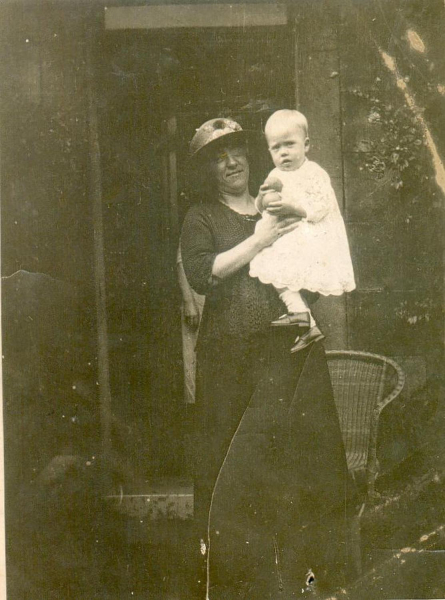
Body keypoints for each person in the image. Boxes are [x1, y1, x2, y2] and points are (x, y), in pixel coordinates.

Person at [180, 117, 356, 599]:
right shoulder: (202, 216)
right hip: (230, 360)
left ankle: (304, 582)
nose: (232, 161)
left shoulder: (283, 200)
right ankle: (237, 584)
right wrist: (261, 237)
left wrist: (303, 308)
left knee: (298, 465)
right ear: (208, 169)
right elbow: (203, 275)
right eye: (219, 156)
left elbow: (311, 261)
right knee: (231, 468)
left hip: (287, 352)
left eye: (237, 150)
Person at [250, 109, 356, 352]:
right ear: (269, 152)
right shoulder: (275, 174)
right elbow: (260, 207)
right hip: (288, 237)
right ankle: (303, 317)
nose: (284, 152)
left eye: (290, 144)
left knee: (278, 267)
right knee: (268, 265)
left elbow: (321, 208)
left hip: (313, 235)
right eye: (276, 148)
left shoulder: (314, 172)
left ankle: (303, 317)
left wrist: (292, 207)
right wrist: (263, 195)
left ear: (306, 145)